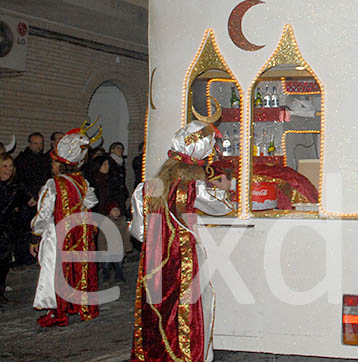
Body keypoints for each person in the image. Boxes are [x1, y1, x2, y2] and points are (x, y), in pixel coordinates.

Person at [131, 102, 235, 362]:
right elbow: (222, 207)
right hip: (184, 257)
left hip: (153, 261)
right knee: (191, 307)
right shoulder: (194, 186)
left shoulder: (146, 188)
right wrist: (225, 189)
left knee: (157, 308)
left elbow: (139, 232)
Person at [30, 122, 102, 327]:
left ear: (60, 164)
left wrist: (35, 234)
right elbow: (90, 203)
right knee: (78, 267)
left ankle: (58, 309)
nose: (51, 165)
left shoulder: (54, 184)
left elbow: (44, 213)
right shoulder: (83, 182)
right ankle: (79, 306)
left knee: (55, 269)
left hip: (57, 232)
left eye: (53, 162)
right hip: (79, 231)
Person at [84, 154, 129, 282]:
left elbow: (115, 195)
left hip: (109, 214)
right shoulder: (93, 180)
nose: (107, 167)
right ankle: (101, 269)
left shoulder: (110, 179)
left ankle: (114, 270)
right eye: (104, 164)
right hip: (97, 215)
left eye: (108, 164)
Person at [13, 132, 49, 265]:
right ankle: (22, 258)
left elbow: (46, 181)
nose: (39, 146)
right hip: (26, 201)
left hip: (40, 200)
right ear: (29, 144)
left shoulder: (45, 160)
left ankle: (35, 257)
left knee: (38, 229)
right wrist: (30, 196)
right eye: (36, 143)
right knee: (23, 231)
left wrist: (39, 196)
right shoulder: (21, 160)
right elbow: (18, 181)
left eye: (41, 144)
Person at [0, 153, 28, 304]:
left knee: (4, 263)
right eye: (5, 166)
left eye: (10, 166)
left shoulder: (15, 186)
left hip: (6, 231)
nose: (8, 169)